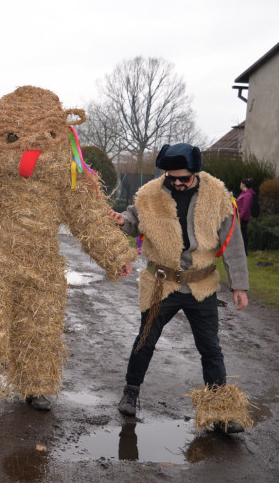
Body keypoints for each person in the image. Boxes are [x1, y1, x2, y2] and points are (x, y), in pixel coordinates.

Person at [107, 143, 249, 434]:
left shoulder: (217, 196)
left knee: (210, 348)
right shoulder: (150, 194)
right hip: (162, 284)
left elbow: (232, 242)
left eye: (184, 178)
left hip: (201, 285)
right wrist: (123, 220)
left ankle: (220, 411)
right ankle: (130, 394)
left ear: (195, 173)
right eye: (172, 178)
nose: (178, 183)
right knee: (145, 340)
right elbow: (135, 219)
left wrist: (239, 286)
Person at [237, 178, 256, 254]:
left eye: (240, 183)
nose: (240, 185)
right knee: (241, 234)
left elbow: (245, 208)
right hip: (240, 217)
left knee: (243, 234)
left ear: (243, 184)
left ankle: (244, 251)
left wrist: (240, 218)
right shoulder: (243, 193)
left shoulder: (248, 195)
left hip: (243, 218)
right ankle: (241, 250)